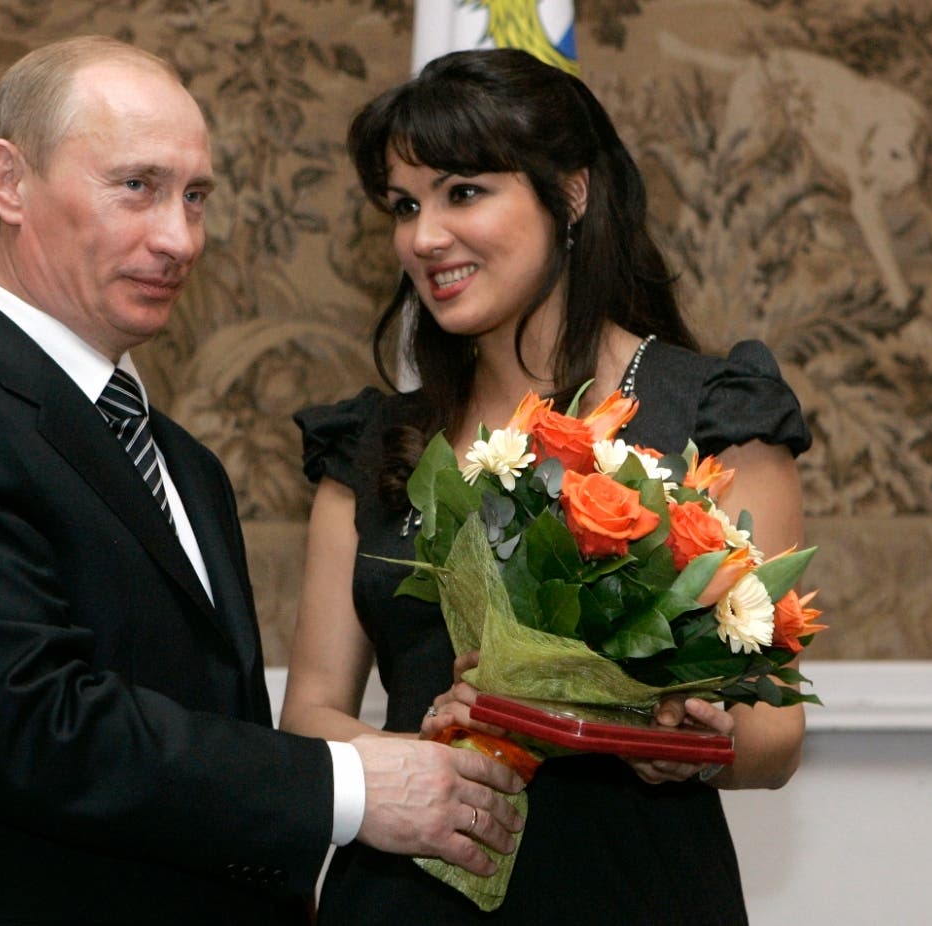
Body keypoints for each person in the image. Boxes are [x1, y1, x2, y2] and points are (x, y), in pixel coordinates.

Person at [0, 36, 527, 926]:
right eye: (136, 187)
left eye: (195, 197)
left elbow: (208, 757)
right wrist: (352, 783)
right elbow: (38, 730)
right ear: (9, 183)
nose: (179, 238)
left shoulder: (185, 464)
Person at [281, 48, 812, 924]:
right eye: (405, 206)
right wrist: (428, 751)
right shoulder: (374, 445)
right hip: (413, 896)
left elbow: (777, 734)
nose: (424, 237)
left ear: (571, 194)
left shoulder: (713, 417)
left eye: (463, 192)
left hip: (635, 892)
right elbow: (311, 714)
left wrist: (689, 742)